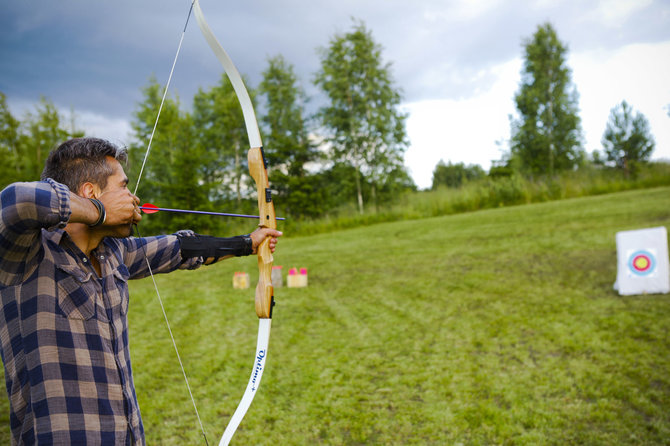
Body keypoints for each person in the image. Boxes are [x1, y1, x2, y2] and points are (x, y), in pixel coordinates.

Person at [0, 137, 282, 445]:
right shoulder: (27, 254)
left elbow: (181, 248)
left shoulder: (112, 254)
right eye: (123, 187)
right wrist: (99, 211)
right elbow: (17, 200)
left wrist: (246, 243)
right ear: (90, 192)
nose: (133, 197)